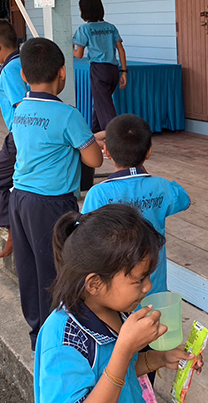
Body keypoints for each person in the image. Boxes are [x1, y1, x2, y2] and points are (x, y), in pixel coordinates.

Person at [35, 204, 203, 403]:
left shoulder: (116, 310)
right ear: (95, 284)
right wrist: (124, 349)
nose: (148, 286)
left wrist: (161, 358)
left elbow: (125, 370)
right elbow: (116, 367)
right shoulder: (64, 342)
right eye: (139, 279)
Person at [10, 37, 104, 351]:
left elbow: (45, 142)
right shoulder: (68, 115)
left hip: (19, 198)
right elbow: (94, 159)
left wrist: (84, 138)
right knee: (56, 271)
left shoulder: (20, 109)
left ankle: (37, 335)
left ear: (23, 75)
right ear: (62, 72)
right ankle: (57, 341)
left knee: (29, 269)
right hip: (52, 204)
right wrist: (90, 140)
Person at [81, 113, 191, 297]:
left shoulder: (99, 193)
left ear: (106, 152)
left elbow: (85, 237)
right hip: (153, 287)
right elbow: (184, 200)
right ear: (149, 152)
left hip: (116, 292)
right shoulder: (160, 186)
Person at [0, 19, 28, 259]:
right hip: (31, 133)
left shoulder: (10, 70)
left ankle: (12, 229)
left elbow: (23, 107)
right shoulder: (25, 62)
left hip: (21, 135)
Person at [73, 0, 128, 133]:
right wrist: (124, 71)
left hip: (98, 70)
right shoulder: (111, 27)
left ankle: (115, 136)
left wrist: (67, 47)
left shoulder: (84, 29)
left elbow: (78, 55)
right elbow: (121, 49)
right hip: (113, 70)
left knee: (105, 106)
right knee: (101, 103)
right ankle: (96, 132)